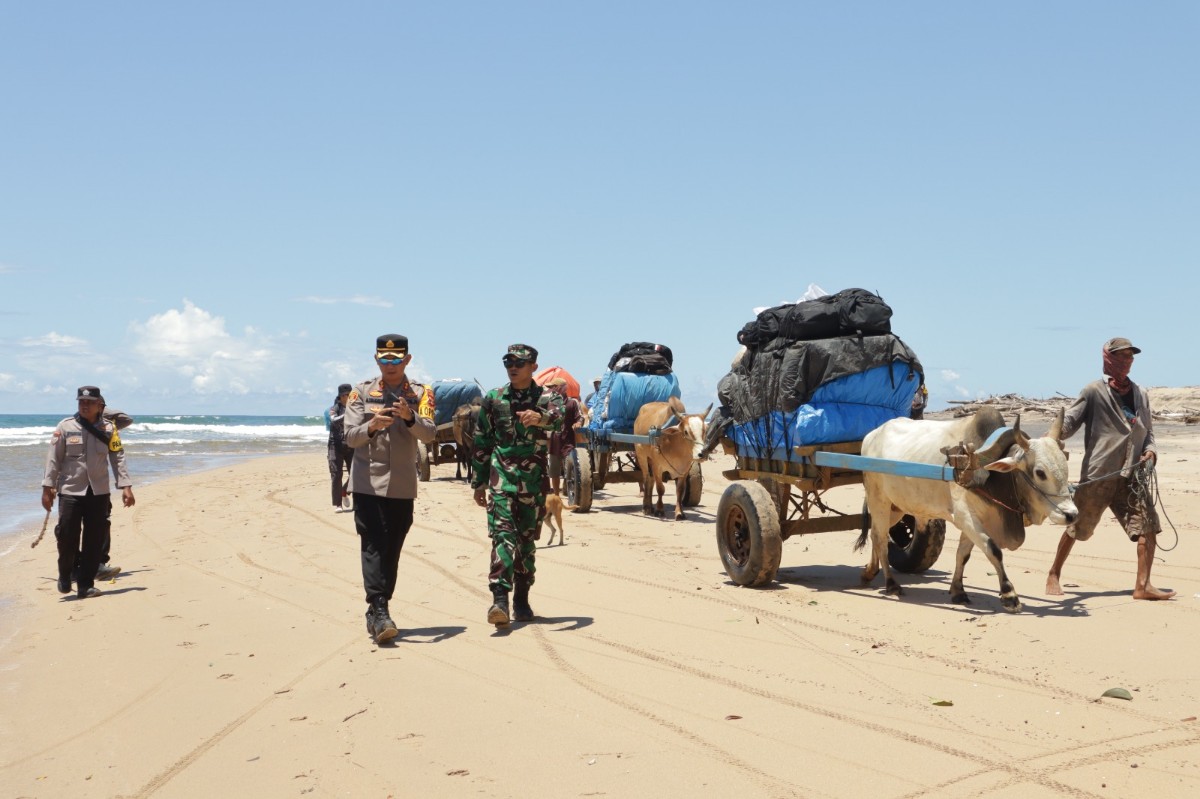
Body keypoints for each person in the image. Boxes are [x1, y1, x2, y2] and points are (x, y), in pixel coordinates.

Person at [1045, 337, 1174, 601]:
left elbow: (1148, 432)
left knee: (1148, 525)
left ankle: (1143, 586)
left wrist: (1151, 451)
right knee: (1077, 527)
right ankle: (1054, 572)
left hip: (1132, 475)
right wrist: (1052, 436)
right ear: (1108, 358)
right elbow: (1069, 423)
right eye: (1121, 356)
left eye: (1130, 357)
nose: (1127, 361)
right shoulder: (1094, 391)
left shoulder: (1140, 394)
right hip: (1099, 475)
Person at [343, 335, 438, 643]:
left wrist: (410, 418)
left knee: (392, 547)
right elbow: (350, 437)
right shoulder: (360, 392)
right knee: (373, 543)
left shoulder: (421, 393)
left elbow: (430, 435)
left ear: (407, 360)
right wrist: (371, 426)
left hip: (401, 485)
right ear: (376, 360)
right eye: (384, 359)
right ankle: (380, 608)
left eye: (396, 359)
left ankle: (377, 609)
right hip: (367, 483)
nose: (390, 365)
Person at [471, 344, 564, 626]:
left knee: (526, 542)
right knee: (502, 536)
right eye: (508, 362)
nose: (512, 367)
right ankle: (499, 599)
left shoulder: (547, 397)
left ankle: (521, 598)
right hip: (501, 479)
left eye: (519, 363)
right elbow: (482, 439)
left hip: (533, 483)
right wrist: (479, 482)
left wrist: (541, 418)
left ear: (533, 366)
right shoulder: (494, 398)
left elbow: (560, 421)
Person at [41, 386, 135, 599]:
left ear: (100, 405)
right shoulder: (65, 426)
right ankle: (65, 573)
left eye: (89, 402)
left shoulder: (109, 428)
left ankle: (85, 585)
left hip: (99, 492)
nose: (84, 405)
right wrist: (47, 487)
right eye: (81, 401)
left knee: (94, 540)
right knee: (67, 536)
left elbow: (118, 457)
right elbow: (53, 459)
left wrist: (126, 486)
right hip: (70, 491)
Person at [544, 377, 582, 496]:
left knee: (570, 470)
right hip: (554, 442)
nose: (551, 390)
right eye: (550, 388)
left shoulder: (572, 402)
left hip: (568, 441)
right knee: (554, 472)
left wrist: (578, 423)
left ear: (561, 388)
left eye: (553, 387)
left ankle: (570, 491)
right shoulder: (549, 403)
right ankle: (556, 495)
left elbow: (580, 417)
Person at [325, 383, 354, 511]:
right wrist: (347, 414)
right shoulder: (334, 408)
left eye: (352, 395)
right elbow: (333, 420)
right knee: (336, 474)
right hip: (335, 445)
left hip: (351, 444)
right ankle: (338, 504)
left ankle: (345, 491)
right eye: (348, 395)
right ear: (342, 396)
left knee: (356, 473)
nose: (351, 397)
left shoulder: (356, 408)